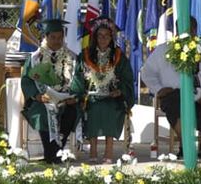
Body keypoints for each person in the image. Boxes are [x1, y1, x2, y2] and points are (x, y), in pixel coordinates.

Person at [141, 17, 201, 159]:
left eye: (191, 29)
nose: (187, 32)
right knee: (173, 104)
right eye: (183, 29)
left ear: (195, 30)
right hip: (175, 94)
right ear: (177, 30)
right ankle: (185, 146)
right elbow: (147, 72)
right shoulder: (163, 50)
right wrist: (159, 89)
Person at [70, 17, 135, 164]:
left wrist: (119, 91)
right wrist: (81, 93)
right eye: (100, 35)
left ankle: (109, 150)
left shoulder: (118, 56)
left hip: (113, 97)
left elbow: (127, 79)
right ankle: (92, 149)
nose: (103, 38)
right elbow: (78, 78)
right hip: (91, 97)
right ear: (95, 37)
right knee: (92, 108)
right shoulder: (85, 55)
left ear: (111, 37)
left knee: (110, 108)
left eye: (107, 35)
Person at [21, 19, 80, 164]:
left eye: (60, 37)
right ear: (45, 37)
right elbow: (26, 80)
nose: (56, 41)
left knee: (72, 111)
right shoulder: (35, 58)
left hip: (64, 100)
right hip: (43, 100)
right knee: (42, 113)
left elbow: (78, 80)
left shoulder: (71, 58)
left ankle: (54, 152)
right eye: (53, 37)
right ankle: (52, 153)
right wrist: (37, 96)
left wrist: (74, 96)